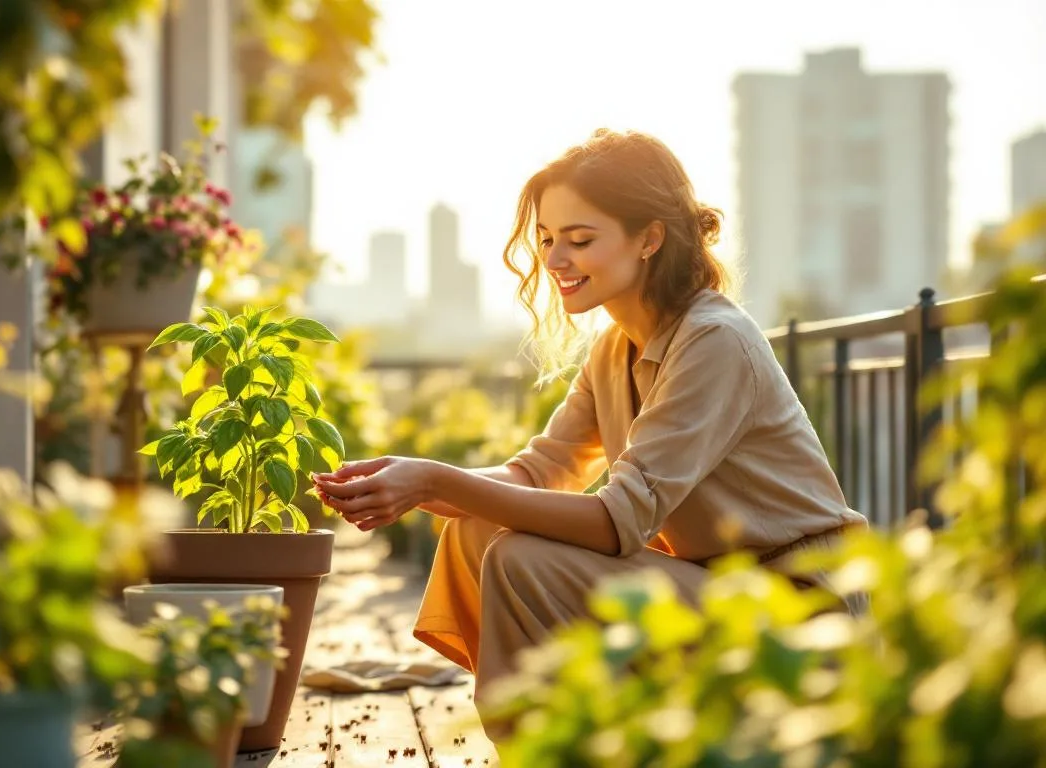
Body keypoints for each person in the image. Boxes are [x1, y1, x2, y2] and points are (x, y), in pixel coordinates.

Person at [310, 128, 867, 733]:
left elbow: (614, 521)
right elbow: (539, 471)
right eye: (547, 239)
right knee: (474, 533)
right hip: (714, 589)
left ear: (649, 238)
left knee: (520, 559)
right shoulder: (613, 349)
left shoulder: (714, 341)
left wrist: (435, 480)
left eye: (579, 240)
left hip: (797, 614)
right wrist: (407, 482)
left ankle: (550, 744)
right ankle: (556, 735)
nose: (554, 261)